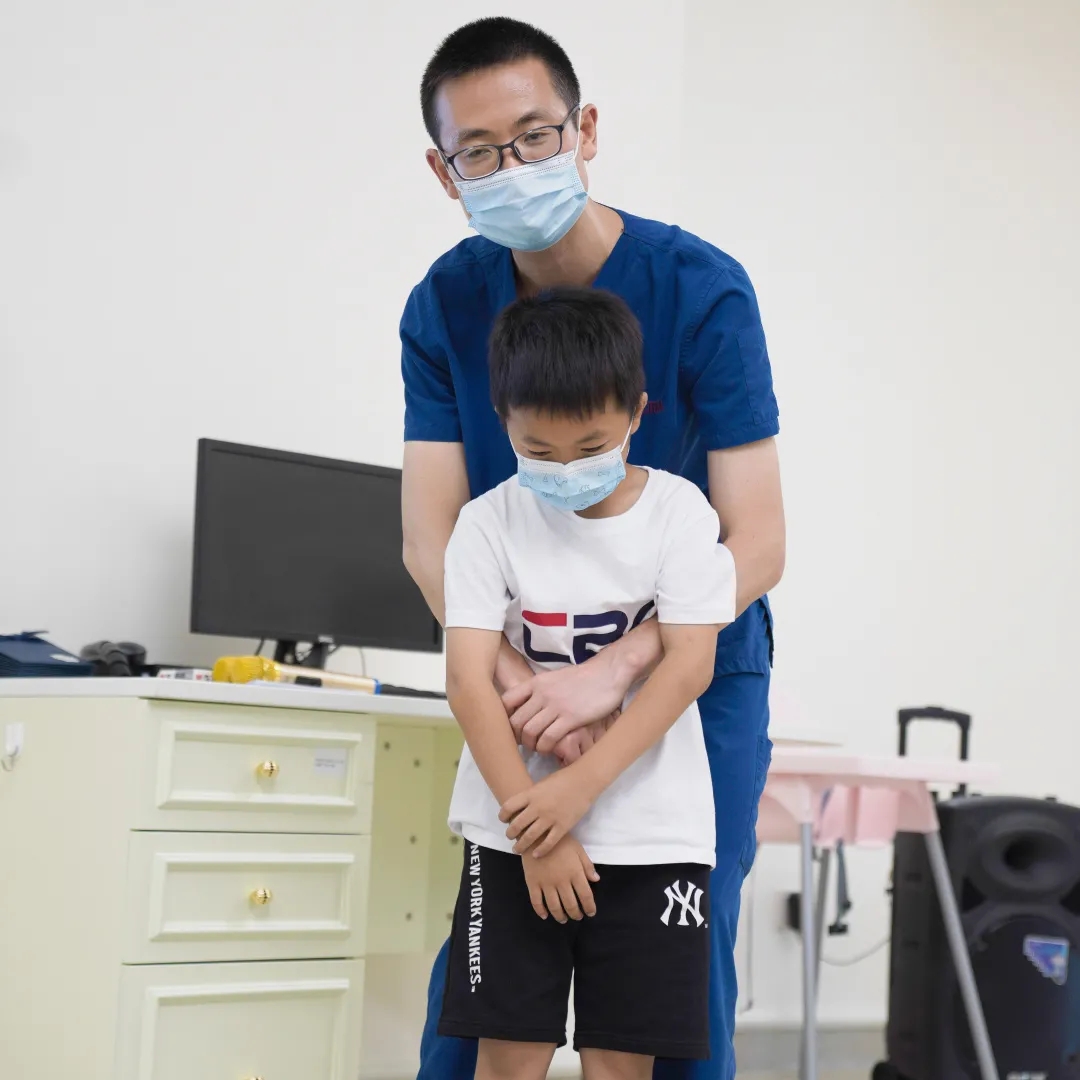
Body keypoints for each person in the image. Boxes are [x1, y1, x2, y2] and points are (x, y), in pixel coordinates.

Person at [401, 17, 785, 1080]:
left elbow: (758, 540)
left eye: (535, 136)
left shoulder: (700, 289)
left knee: (678, 968)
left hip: (693, 669)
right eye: (480, 152)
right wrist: (522, 684)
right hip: (521, 674)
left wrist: (617, 671)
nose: (513, 166)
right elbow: (430, 538)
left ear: (586, 130)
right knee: (485, 971)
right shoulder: (444, 305)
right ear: (444, 172)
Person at [440, 286, 735, 1080]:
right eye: (538, 450)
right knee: (507, 1058)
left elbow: (690, 664)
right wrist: (536, 830)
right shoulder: (488, 522)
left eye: (591, 446)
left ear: (637, 412)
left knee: (621, 1065)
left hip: (653, 834)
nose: (566, 469)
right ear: (502, 419)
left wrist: (576, 792)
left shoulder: (679, 512)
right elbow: (468, 681)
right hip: (511, 830)